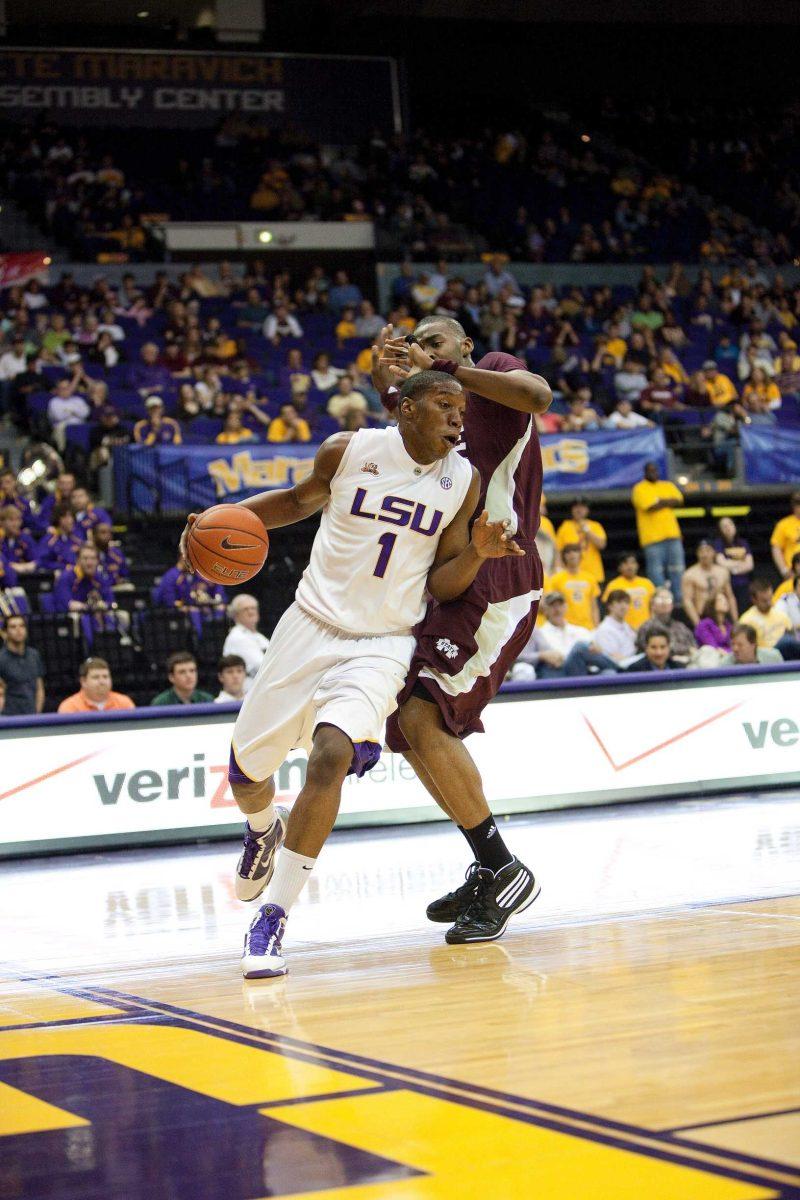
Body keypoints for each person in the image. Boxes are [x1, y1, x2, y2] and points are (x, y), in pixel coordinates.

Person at [181, 369, 531, 976]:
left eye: (461, 408)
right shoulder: (350, 450)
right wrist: (222, 519)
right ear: (407, 409)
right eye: (444, 405)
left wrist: (477, 551)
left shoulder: (463, 481)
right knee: (246, 773)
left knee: (330, 755)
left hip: (384, 642)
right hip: (310, 624)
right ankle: (263, 828)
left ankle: (273, 918)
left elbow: (441, 582)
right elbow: (293, 503)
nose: (457, 417)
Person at [372, 318, 552, 945]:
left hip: (500, 576)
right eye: (416, 345)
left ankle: (503, 869)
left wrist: (444, 371)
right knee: (409, 728)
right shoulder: (431, 415)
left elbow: (539, 397)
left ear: (466, 348)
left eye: (437, 342)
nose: (425, 350)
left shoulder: (496, 373)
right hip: (448, 577)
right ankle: (489, 863)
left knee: (426, 716)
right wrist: (388, 392)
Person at [514, 591, 618, 679]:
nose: (557, 609)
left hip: (582, 670)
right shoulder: (539, 632)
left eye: (560, 605)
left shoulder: (581, 631)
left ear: (566, 607)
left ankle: (618, 669)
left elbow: (595, 653)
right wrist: (542, 656)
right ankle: (620, 668)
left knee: (610, 674)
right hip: (558, 672)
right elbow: (521, 657)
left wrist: (598, 650)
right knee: (580, 647)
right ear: (545, 610)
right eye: (552, 606)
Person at [631, 461, 685, 595]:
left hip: (672, 536)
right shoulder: (639, 488)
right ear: (645, 473)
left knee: (677, 569)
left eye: (655, 470)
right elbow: (649, 506)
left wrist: (659, 501)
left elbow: (679, 500)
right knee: (656, 572)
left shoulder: (667, 485)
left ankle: (679, 600)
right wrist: (667, 501)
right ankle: (662, 599)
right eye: (650, 471)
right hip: (652, 539)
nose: (653, 473)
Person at [680, 540, 738, 628]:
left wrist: (736, 621)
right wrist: (698, 624)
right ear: (697, 554)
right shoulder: (690, 574)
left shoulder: (723, 572)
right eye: (701, 551)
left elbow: (730, 597)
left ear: (714, 552)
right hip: (701, 616)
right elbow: (687, 601)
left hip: (722, 616)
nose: (704, 554)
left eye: (708, 551)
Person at [739, 579, 798, 660]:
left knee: (789, 641)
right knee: (786, 641)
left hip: (788, 654)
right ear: (754, 600)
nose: (769, 603)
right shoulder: (746, 621)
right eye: (764, 601)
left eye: (770, 599)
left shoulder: (780, 613)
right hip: (765, 656)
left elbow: (793, 635)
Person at [635, 587, 697, 663]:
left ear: (672, 605)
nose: (664, 603)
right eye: (660, 599)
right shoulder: (646, 627)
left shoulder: (680, 626)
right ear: (652, 605)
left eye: (668, 600)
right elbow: (646, 651)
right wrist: (686, 650)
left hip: (690, 661)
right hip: (664, 666)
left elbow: (694, 646)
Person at [222, 594, 269, 691]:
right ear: (235, 615)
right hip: (249, 690)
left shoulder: (260, 637)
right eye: (245, 609)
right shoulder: (237, 637)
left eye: (253, 608)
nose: (251, 611)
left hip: (263, 686)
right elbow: (260, 665)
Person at [555, 496, 606, 585]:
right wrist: (559, 569)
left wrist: (587, 530)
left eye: (582, 507)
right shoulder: (565, 526)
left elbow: (602, 545)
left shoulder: (595, 525)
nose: (579, 510)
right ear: (572, 510)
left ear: (587, 510)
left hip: (593, 574)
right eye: (576, 507)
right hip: (570, 575)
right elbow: (558, 551)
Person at [548, 544, 600, 629]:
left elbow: (594, 607)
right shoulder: (556, 579)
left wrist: (596, 627)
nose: (572, 554)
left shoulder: (590, 578)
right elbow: (551, 605)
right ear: (564, 557)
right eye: (568, 552)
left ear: (580, 555)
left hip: (588, 627)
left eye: (575, 551)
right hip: (566, 627)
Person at [0, 614, 44, 715]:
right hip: (8, 718)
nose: (18, 630)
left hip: (32, 716)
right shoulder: (1, 659)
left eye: (22, 626)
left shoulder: (34, 655)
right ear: (5, 633)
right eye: (13, 627)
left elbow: (40, 688)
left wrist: (37, 715)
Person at [58, 656, 135, 713]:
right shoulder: (69, 707)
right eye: (96, 677)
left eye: (105, 677)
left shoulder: (124, 703)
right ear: (83, 681)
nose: (102, 681)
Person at [53, 543, 114, 614]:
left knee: (121, 615)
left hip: (96, 614)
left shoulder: (99, 577)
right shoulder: (66, 577)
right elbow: (67, 605)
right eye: (85, 558)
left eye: (93, 558)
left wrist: (103, 604)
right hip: (72, 617)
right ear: (78, 560)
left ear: (98, 561)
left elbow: (110, 601)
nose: (89, 563)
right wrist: (89, 607)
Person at [602, 552, 655, 631]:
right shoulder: (613, 585)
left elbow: (653, 607)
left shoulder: (647, 583)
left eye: (633, 563)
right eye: (626, 563)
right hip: (623, 629)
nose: (630, 566)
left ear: (637, 565)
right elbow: (609, 609)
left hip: (646, 628)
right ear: (619, 567)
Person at [154, 558, 227, 612]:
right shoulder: (171, 575)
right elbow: (170, 600)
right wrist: (185, 607)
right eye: (191, 561)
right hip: (169, 610)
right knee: (194, 611)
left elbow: (189, 597)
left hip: (190, 606)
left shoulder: (186, 575)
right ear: (183, 558)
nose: (193, 564)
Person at [713, 516, 754, 612]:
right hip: (727, 584)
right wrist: (740, 564)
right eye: (724, 526)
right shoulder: (718, 544)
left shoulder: (743, 543)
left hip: (744, 584)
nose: (728, 527)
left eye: (730, 524)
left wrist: (732, 568)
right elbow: (721, 562)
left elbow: (750, 565)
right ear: (720, 530)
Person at [593, 590, 637, 663]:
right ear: (610, 606)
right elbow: (612, 658)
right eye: (619, 602)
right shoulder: (604, 629)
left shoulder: (627, 626)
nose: (623, 606)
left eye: (626, 602)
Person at [35, 505, 83, 572]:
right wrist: (63, 567)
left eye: (71, 516)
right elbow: (42, 562)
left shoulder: (77, 538)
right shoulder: (49, 540)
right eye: (66, 517)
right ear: (58, 519)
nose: (71, 520)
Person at [770, 492, 800, 581]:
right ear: (793, 506)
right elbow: (776, 548)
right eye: (797, 504)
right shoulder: (783, 524)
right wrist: (784, 570)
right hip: (793, 572)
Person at [0, 505, 37, 575]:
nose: (15, 524)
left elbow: (36, 560)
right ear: (2, 522)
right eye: (11, 520)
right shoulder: (1, 539)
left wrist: (25, 566)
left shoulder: (25, 539)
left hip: (23, 577)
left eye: (18, 520)